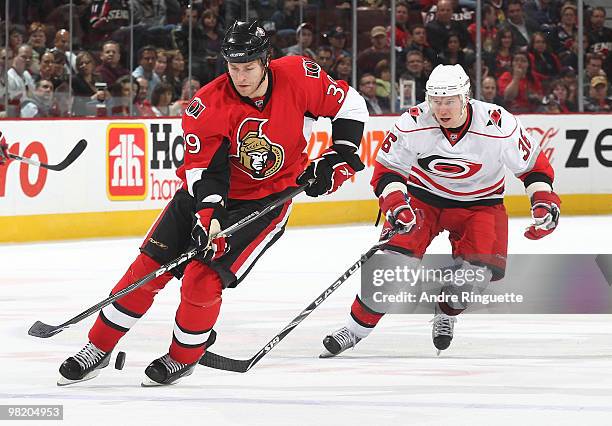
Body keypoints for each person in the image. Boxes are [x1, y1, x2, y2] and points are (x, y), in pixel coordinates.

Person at [58, 20, 368, 387]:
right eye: (233, 67)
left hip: (265, 203)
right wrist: (209, 217)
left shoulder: (299, 74)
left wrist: (341, 156)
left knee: (201, 280)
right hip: (205, 196)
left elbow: (350, 104)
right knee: (145, 270)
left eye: (248, 67)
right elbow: (206, 173)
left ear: (266, 60)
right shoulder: (206, 106)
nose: (240, 75)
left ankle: (182, 357)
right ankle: (98, 346)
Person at [320, 64, 560, 358]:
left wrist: (543, 200)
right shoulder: (413, 122)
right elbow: (387, 170)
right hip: (423, 200)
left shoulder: (498, 124)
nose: (442, 108)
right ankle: (353, 331)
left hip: (481, 205)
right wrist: (396, 204)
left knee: (472, 281)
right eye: (436, 100)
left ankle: (446, 311)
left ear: (466, 97)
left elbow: (532, 168)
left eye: (449, 101)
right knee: (391, 270)